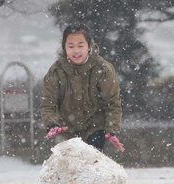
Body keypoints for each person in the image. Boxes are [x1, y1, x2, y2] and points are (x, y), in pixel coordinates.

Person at [40, 23, 124, 152]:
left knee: (90, 162)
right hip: (65, 129)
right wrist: (52, 124)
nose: (76, 51)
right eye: (71, 46)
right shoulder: (55, 72)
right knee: (68, 166)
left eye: (80, 45)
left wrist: (112, 130)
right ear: (64, 48)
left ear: (89, 46)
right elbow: (48, 103)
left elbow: (112, 103)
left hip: (95, 127)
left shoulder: (103, 69)